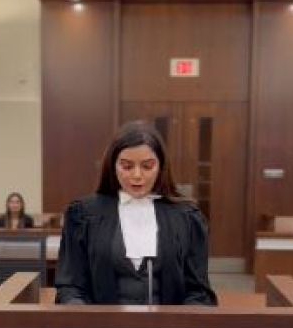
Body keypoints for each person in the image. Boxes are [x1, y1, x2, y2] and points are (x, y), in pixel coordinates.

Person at [55, 121, 217, 305]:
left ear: (161, 166)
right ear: (112, 165)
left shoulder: (187, 217)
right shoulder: (83, 214)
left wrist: (183, 325)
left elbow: (198, 291)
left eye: (147, 166)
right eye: (127, 166)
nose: (137, 175)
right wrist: (83, 318)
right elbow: (71, 286)